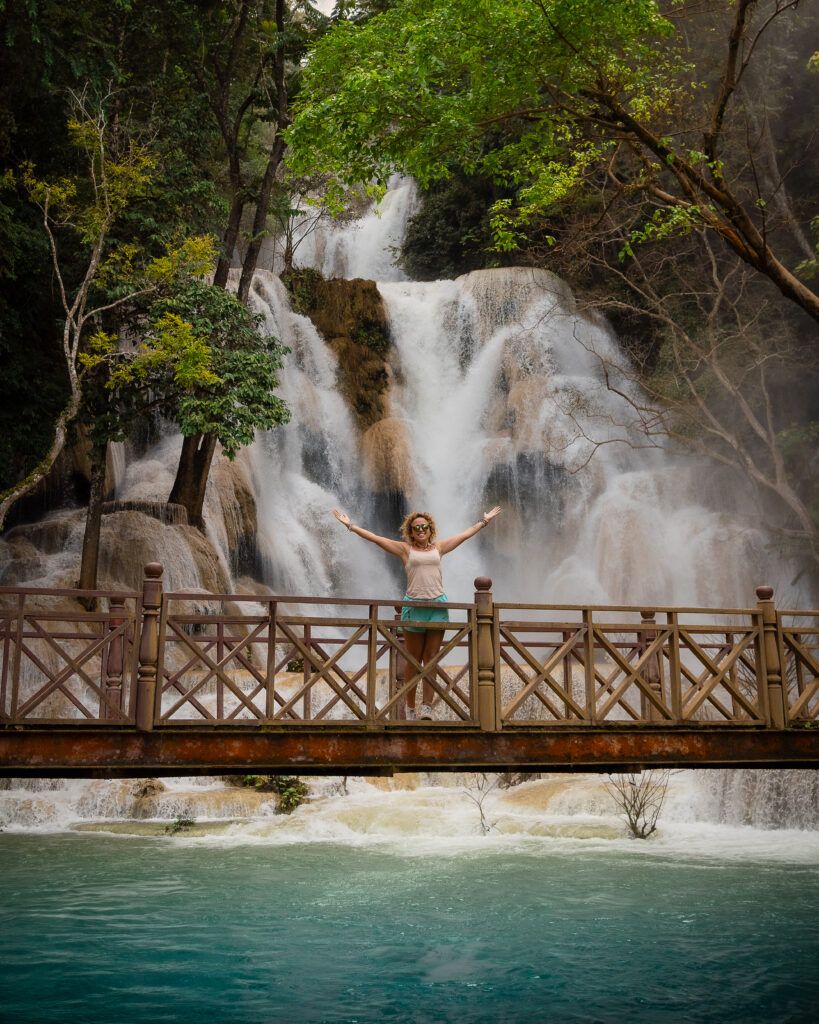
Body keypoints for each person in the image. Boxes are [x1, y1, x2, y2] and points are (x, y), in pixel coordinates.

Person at [331, 506, 502, 719]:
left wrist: (483, 521)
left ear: (430, 530)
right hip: (413, 607)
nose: (420, 530)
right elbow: (376, 539)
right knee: (413, 660)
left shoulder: (439, 548)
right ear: (411, 532)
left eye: (424, 527)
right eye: (416, 528)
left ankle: (427, 707)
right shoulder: (405, 550)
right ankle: (410, 707)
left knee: (431, 659)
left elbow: (464, 536)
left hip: (437, 607)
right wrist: (350, 525)